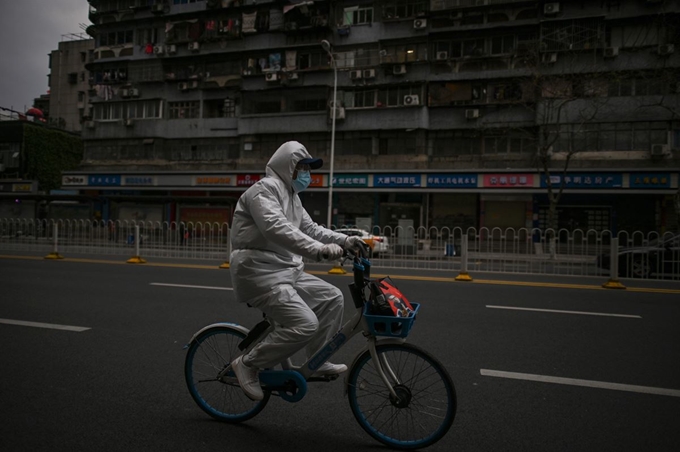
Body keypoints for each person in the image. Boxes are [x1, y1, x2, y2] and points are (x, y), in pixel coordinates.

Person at [228, 141, 365, 401]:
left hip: (286, 270)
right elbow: (275, 228)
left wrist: (344, 240)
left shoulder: (292, 196)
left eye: (308, 168)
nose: (307, 174)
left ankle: (316, 361)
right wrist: (318, 250)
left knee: (332, 297)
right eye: (301, 167)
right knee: (305, 324)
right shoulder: (264, 191)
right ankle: (248, 363)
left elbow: (312, 229)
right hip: (259, 273)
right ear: (287, 167)